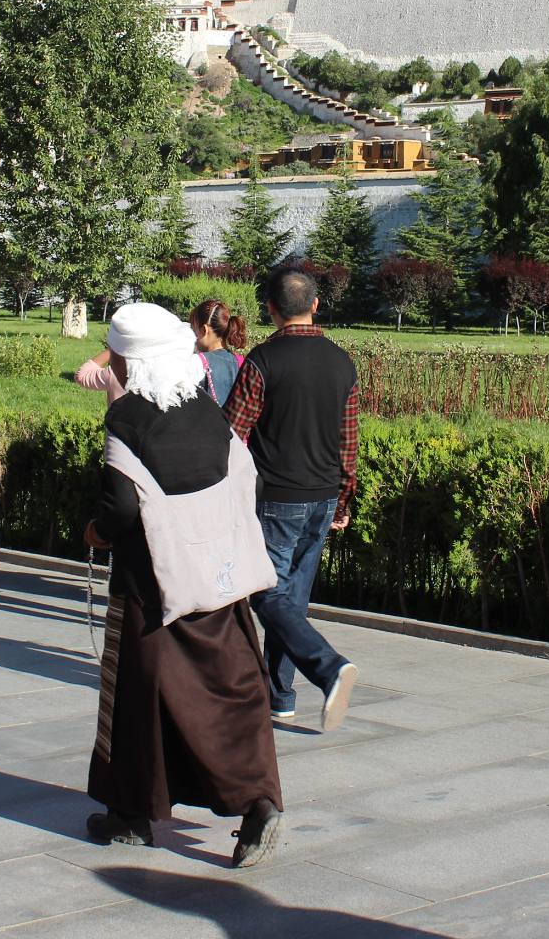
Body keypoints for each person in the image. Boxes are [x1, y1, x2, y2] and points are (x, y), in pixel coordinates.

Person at [82, 303, 284, 867]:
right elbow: (248, 481)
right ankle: (259, 803)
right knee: (231, 693)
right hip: (220, 580)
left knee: (140, 704)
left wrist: (96, 531)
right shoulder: (205, 410)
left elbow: (121, 508)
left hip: (153, 589)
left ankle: (133, 815)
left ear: (131, 361)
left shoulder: (127, 420)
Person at [223, 265, 360, 732]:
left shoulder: (262, 361)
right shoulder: (343, 363)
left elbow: (231, 434)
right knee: (291, 597)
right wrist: (342, 501)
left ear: (271, 309)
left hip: (277, 496)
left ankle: (327, 667)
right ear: (316, 304)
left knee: (264, 590)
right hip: (322, 495)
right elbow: (349, 441)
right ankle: (280, 694)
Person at [189, 298, 248, 408]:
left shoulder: (198, 362)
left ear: (204, 330)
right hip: (233, 423)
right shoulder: (241, 361)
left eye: (194, 329)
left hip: (208, 423)